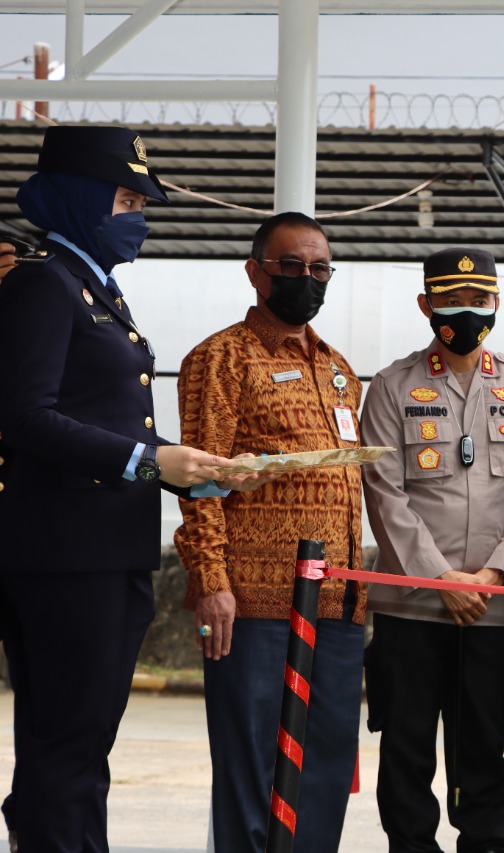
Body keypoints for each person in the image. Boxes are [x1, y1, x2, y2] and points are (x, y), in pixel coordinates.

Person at [0, 125, 248, 852]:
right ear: (80, 197)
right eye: (127, 197)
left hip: (101, 553)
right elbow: (24, 415)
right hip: (66, 557)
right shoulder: (45, 286)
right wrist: (148, 460)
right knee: (64, 751)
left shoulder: (90, 288)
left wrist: (177, 459)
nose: (138, 214)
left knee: (82, 751)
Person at [174, 211, 366, 852]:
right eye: (292, 267)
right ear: (257, 271)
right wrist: (210, 582)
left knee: (326, 768)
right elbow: (200, 479)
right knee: (252, 769)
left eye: (319, 269)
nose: (307, 279)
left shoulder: (338, 368)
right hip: (252, 605)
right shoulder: (220, 359)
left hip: (334, 602)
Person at [361, 247, 504, 853]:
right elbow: (384, 491)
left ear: (497, 304)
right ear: (425, 305)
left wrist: (494, 573)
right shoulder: (393, 387)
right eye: (449, 300)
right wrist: (444, 579)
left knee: (485, 750)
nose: (465, 312)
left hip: (491, 608)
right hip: (411, 610)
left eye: (478, 300)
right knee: (407, 748)